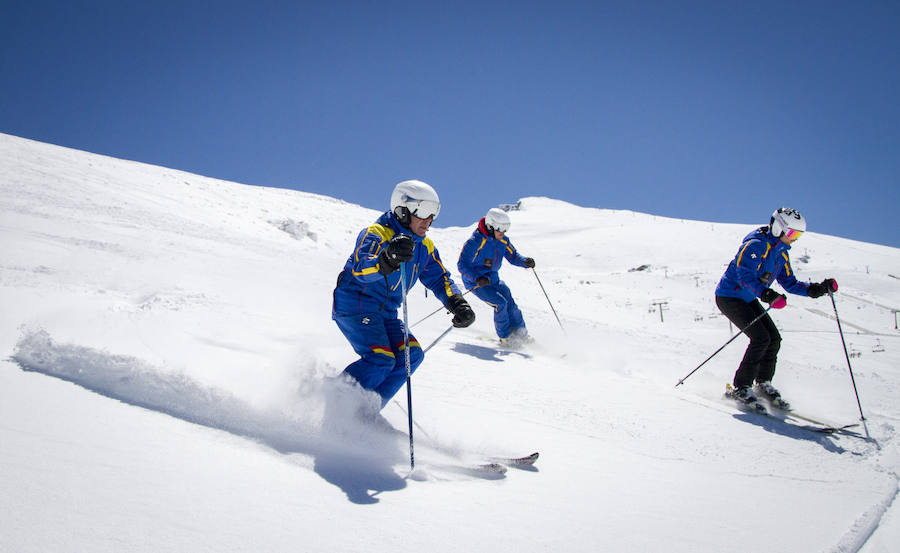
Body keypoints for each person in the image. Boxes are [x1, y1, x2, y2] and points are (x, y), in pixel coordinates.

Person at [332, 179, 475, 412]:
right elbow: (360, 268)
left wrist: (457, 302)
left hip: (386, 313)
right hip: (356, 304)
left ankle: (364, 413)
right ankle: (333, 404)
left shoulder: (424, 246)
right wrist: (386, 259)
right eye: (424, 211)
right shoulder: (377, 234)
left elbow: (440, 279)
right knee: (382, 359)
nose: (429, 219)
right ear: (402, 208)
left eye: (434, 212)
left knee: (412, 357)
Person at [715, 207, 838, 410]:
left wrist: (816, 289)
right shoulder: (755, 245)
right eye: (792, 233)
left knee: (774, 338)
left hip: (747, 298)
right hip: (729, 296)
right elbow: (743, 275)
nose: (794, 239)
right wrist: (767, 294)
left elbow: (789, 282)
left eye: (798, 235)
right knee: (760, 338)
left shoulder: (781, 253)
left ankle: (763, 384)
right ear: (778, 228)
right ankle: (741, 387)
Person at [457, 207, 535, 345]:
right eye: (500, 227)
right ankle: (505, 337)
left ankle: (521, 334)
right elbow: (462, 264)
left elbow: (513, 255)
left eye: (506, 227)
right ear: (490, 225)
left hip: (493, 279)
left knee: (510, 302)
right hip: (476, 282)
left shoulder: (503, 240)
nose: (503, 231)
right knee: (500, 303)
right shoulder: (475, 241)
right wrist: (477, 278)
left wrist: (525, 262)